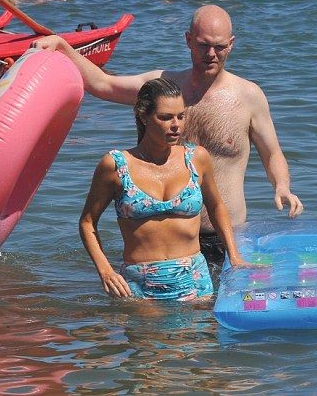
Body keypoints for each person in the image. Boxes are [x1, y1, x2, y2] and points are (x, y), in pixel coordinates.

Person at [32, 5, 303, 266]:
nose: (211, 54)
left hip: (227, 237)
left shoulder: (249, 96)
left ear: (231, 44)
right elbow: (103, 84)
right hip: (165, 240)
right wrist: (62, 46)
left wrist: (282, 187)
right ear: (188, 40)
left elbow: (272, 153)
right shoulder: (162, 88)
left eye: (219, 47)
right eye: (203, 45)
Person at [79, 78, 247, 299]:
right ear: (143, 116)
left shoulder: (196, 158)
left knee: (202, 324)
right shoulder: (116, 165)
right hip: (139, 285)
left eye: (181, 116)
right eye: (165, 117)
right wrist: (105, 271)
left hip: (195, 280)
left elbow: (216, 207)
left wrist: (234, 256)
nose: (176, 125)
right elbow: (87, 222)